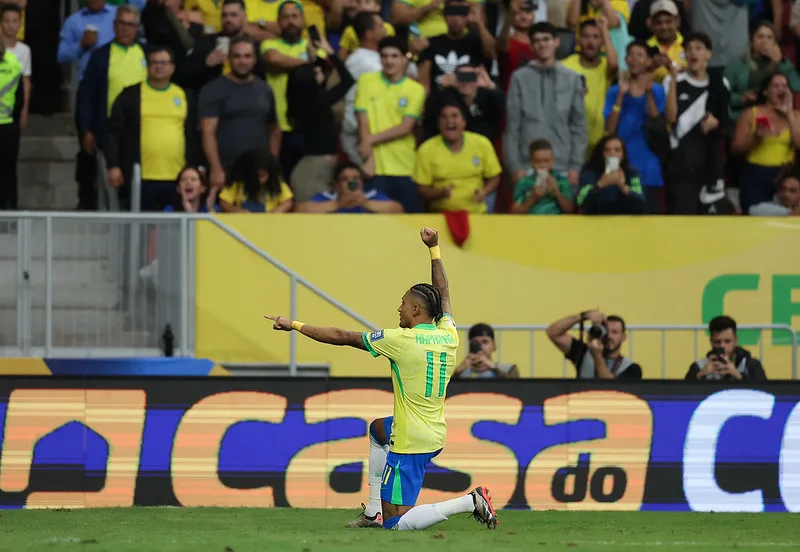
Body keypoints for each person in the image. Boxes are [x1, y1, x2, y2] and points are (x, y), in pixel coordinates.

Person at [265, 228, 498, 531]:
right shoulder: (448, 333)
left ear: (416, 310)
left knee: (395, 524)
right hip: (434, 430)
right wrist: (434, 249)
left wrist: (294, 324)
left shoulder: (399, 340)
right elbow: (444, 294)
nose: (398, 308)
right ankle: (373, 511)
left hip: (410, 442)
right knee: (377, 429)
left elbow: (341, 337)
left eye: (403, 303)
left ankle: (470, 502)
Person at [106, 46, 192, 212]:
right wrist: (114, 165)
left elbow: (192, 135)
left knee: (174, 231)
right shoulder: (130, 95)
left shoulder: (184, 95)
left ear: (172, 67)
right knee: (139, 231)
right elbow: (113, 133)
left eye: (163, 62)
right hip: (139, 177)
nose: (159, 66)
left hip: (177, 177)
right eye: (154, 62)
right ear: (147, 66)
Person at [505, 21, 587, 187]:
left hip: (563, 166)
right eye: (536, 41)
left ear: (556, 42)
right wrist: (514, 167)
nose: (542, 44)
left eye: (546, 39)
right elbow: (512, 127)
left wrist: (575, 166)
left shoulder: (572, 79)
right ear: (531, 45)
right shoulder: (519, 78)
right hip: (528, 165)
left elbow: (579, 127)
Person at [199, 35, 281, 190]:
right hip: (227, 170)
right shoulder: (212, 90)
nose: (242, 61)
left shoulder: (265, 89)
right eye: (237, 56)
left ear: (255, 59)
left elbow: (274, 129)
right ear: (229, 58)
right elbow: (207, 131)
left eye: (247, 56)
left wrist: (272, 164)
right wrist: (216, 168)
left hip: (259, 172)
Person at [355, 36, 425, 213]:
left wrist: (369, 141)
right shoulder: (366, 81)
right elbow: (362, 118)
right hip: (374, 169)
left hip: (404, 167)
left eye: (394, 56)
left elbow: (405, 127)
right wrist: (369, 158)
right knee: (376, 226)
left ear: (404, 59)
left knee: (411, 223)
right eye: (384, 56)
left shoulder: (416, 89)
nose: (389, 61)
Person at [664, 31, 730, 215]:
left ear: (708, 54)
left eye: (699, 48)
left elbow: (725, 120)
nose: (693, 52)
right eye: (689, 49)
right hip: (682, 162)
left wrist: (716, 122)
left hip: (710, 161)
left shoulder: (720, 83)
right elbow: (670, 118)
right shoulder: (672, 81)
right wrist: (674, 80)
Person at [286, 35, 355, 202]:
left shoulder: (300, 102)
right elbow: (348, 80)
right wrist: (330, 51)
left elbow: (317, 70)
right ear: (310, 82)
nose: (320, 73)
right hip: (318, 169)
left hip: (309, 164)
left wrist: (314, 54)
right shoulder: (318, 103)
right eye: (316, 73)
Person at [604, 40, 665, 213]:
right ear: (626, 60)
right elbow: (610, 129)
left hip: (649, 169)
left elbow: (658, 125)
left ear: (648, 61)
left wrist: (648, 93)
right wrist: (621, 96)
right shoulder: (615, 91)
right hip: (620, 169)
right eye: (631, 55)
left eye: (640, 55)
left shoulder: (657, 90)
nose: (635, 59)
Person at [414, 101, 502, 213]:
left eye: (455, 116)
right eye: (444, 117)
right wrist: (440, 193)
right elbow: (422, 189)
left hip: (477, 213)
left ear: (464, 122)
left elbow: (494, 177)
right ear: (439, 124)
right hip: (440, 214)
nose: (449, 121)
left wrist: (484, 191)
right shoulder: (426, 149)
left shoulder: (482, 144)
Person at [731, 71, 800, 214]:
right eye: (776, 86)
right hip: (756, 175)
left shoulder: (796, 116)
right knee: (757, 215)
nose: (781, 89)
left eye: (784, 86)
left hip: (784, 176)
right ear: (766, 91)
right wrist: (756, 139)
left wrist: (789, 114)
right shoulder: (751, 114)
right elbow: (736, 148)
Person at [561, 17, 618, 159]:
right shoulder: (565, 66)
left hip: (600, 142)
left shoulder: (606, 66)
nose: (591, 42)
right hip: (571, 141)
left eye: (596, 37)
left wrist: (605, 30)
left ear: (602, 41)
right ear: (579, 40)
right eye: (586, 36)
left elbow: (614, 64)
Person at [725, 21, 800, 123]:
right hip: (745, 116)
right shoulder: (737, 65)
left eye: (769, 37)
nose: (765, 41)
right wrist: (742, 99)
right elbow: (721, 96)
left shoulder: (783, 64)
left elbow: (796, 87)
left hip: (777, 117)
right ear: (752, 41)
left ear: (775, 43)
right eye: (760, 37)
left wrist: (780, 62)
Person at [547, 310, 643, 380]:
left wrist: (597, 356)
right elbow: (553, 332)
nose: (609, 336)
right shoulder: (583, 352)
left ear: (624, 337)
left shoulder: (632, 368)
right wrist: (583, 316)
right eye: (606, 331)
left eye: (615, 332)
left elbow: (612, 390)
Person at [295, 160, 404, 213]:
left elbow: (398, 209)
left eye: (356, 178)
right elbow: (301, 210)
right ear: (336, 185)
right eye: (345, 179)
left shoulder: (371, 196)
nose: (351, 182)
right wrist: (339, 204)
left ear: (362, 181)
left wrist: (365, 203)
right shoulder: (329, 197)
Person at [576, 135, 645, 214]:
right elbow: (580, 201)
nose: (612, 154)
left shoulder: (631, 172)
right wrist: (600, 184)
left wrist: (623, 187)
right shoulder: (590, 171)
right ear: (601, 153)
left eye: (617, 150)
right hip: (595, 221)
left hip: (624, 221)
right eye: (607, 150)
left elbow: (641, 203)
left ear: (623, 154)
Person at [684, 315, 767, 381]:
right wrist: (700, 375)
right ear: (711, 342)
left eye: (727, 341)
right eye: (717, 342)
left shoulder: (751, 365)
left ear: (736, 340)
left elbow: (764, 392)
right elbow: (682, 395)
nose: (722, 346)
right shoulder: (699, 366)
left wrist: (738, 375)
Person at [218, 147, 293, 212]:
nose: (258, 180)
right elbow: (224, 202)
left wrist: (277, 211)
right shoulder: (237, 183)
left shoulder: (276, 183)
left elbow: (288, 202)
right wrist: (236, 211)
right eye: (254, 176)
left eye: (261, 176)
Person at [511, 139, 575, 215]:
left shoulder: (561, 181)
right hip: (531, 223)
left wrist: (557, 192)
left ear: (552, 161)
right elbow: (514, 212)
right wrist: (533, 198)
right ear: (531, 162)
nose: (542, 165)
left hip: (555, 223)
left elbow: (570, 209)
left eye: (546, 161)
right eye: (537, 161)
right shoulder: (523, 182)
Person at [0, 42, 23, 210]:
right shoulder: (14, 63)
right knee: (9, 171)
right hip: (9, 127)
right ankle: (10, 213)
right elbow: (19, 97)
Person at [453, 323, 520, 378]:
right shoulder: (461, 372)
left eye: (485, 342)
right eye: (475, 342)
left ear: (494, 345)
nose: (480, 346)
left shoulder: (509, 369)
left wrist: (494, 369)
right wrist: (457, 373)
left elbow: (516, 387)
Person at [1, 5, 30, 130]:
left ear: (20, 24)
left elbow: (25, 81)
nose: (10, 25)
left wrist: (24, 111)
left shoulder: (24, 51)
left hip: (12, 111)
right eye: (6, 21)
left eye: (14, 21)